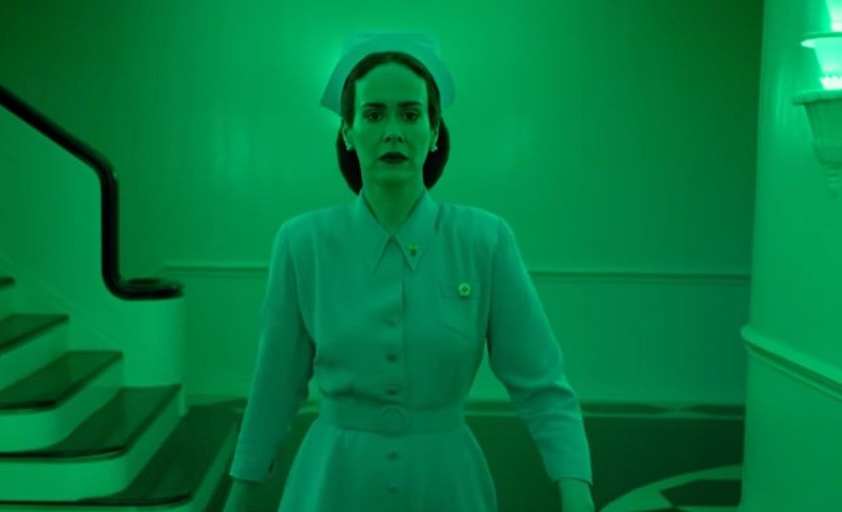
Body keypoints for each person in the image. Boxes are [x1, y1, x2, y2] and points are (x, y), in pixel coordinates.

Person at [224, 32, 595, 512]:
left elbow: (541, 383)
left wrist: (575, 488)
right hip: (332, 481)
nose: (393, 131)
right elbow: (273, 389)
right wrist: (240, 495)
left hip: (447, 484)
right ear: (348, 131)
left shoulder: (484, 241)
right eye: (374, 114)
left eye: (410, 113)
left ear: (435, 131)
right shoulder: (302, 244)